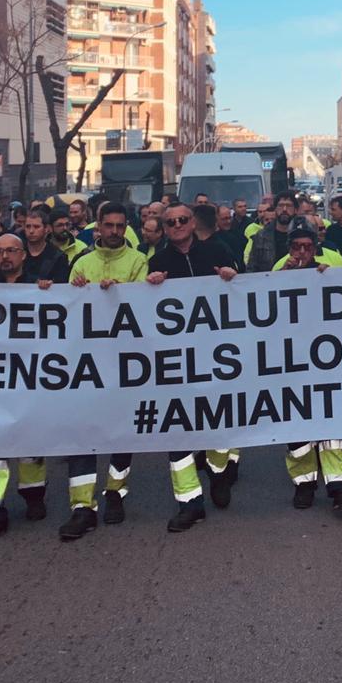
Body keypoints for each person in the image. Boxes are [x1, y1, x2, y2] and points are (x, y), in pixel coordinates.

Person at [145, 202, 242, 532]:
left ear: (192, 222)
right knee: (178, 431)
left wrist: (232, 278)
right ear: (164, 228)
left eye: (182, 219)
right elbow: (147, 312)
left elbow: (245, 295)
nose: (177, 225)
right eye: (170, 222)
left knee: (217, 423)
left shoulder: (217, 250)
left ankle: (219, 475)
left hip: (217, 357)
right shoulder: (158, 261)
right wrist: (150, 287)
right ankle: (190, 502)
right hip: (176, 362)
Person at [61, 202, 149, 540]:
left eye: (120, 226)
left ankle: (115, 492)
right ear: (97, 226)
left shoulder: (137, 261)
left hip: (125, 362)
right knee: (82, 433)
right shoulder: (82, 263)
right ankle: (81, 507)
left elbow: (143, 306)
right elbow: (67, 309)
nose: (114, 232)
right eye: (108, 225)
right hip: (86, 365)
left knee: (121, 433)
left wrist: (120, 294)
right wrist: (78, 291)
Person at [270, 228, 342, 513]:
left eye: (307, 247)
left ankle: (339, 487)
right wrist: (281, 280)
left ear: (315, 249)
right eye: (296, 247)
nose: (301, 253)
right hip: (291, 362)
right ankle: (304, 484)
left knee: (331, 425)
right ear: (289, 249)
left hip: (325, 362)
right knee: (297, 426)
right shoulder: (278, 270)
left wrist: (328, 280)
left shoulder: (327, 271)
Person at [0, 234, 55, 545]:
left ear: (23, 255)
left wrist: (51, 294)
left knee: (31, 446)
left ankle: (34, 496)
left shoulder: (40, 288)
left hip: (30, 379)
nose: (4, 256)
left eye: (11, 251)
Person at [246, 190, 301, 271]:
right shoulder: (261, 236)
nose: (284, 209)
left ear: (296, 210)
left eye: (289, 206)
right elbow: (251, 267)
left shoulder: (302, 235)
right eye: (280, 206)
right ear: (275, 209)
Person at [20, 207, 73, 284]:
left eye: (36, 227)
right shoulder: (17, 251)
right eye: (28, 226)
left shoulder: (58, 257)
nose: (31, 231)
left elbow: (62, 285)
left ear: (46, 229)